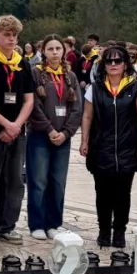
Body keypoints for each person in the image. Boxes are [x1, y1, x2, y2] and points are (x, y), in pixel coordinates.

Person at [80, 45, 137, 249]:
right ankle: (104, 230)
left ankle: (119, 231)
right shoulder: (95, 87)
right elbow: (87, 115)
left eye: (118, 61)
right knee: (102, 192)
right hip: (101, 146)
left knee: (123, 193)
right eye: (109, 61)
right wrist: (85, 141)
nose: (113, 65)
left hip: (127, 146)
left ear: (125, 64)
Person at [0, 15, 34, 245]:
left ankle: (7, 224)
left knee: (15, 181)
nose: (11, 39)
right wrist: (5, 124)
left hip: (17, 131)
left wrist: (16, 125)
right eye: (7, 35)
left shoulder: (23, 64)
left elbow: (29, 100)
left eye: (14, 35)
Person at [27, 35, 82, 240]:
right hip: (41, 136)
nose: (55, 52)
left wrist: (66, 132)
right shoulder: (36, 74)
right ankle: (37, 223)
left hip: (63, 138)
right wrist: (50, 130)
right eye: (50, 49)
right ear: (43, 51)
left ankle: (53, 223)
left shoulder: (71, 76)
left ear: (64, 50)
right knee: (39, 181)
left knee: (58, 181)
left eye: (58, 48)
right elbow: (33, 105)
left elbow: (76, 108)